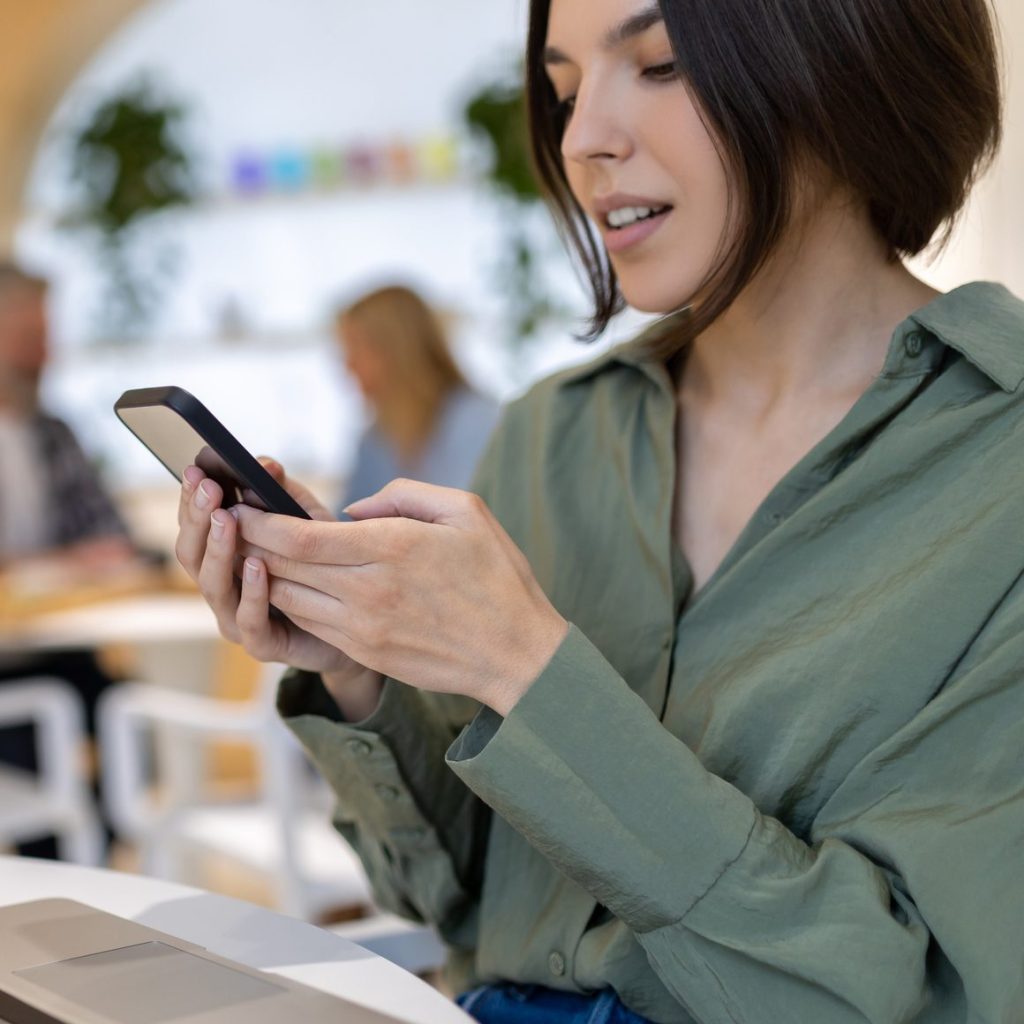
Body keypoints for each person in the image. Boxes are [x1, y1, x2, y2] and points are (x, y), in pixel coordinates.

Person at [174, 0, 1024, 1020]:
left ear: (842, 56)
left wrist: (525, 668)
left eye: (658, 64)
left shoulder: (997, 472)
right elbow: (455, 898)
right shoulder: (552, 437)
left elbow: (906, 995)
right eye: (566, 90)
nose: (580, 142)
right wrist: (358, 667)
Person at [0, 261, 136, 858]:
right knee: (36, 752)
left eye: (44, 333)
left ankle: (95, 879)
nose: (41, 350)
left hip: (56, 650)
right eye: (27, 333)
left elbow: (114, 537)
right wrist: (63, 562)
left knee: (127, 720)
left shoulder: (53, 432)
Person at [334, 284, 499, 509]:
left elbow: (463, 524)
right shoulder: (375, 440)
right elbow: (346, 521)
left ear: (394, 352)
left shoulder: (476, 422)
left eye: (355, 349)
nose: (348, 366)